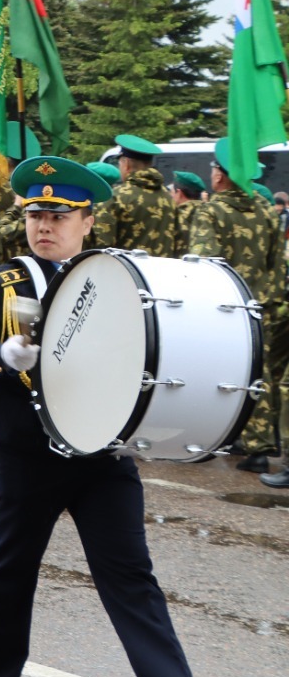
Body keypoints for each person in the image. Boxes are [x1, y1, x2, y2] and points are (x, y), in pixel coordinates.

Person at [0, 155, 231, 677]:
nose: (45, 226)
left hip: (101, 450)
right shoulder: (7, 282)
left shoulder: (114, 282)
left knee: (130, 570)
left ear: (88, 221)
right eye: (36, 215)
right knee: (13, 562)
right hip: (28, 448)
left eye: (60, 216)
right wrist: (3, 357)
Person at [186, 140, 289, 482]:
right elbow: (279, 263)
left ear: (220, 176)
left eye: (214, 169)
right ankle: (259, 447)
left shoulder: (211, 211)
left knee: (219, 376)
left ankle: (217, 438)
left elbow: (205, 263)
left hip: (225, 308)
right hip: (265, 305)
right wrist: (268, 299)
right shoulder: (265, 210)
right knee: (265, 376)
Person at [94, 134, 178, 257]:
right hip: (161, 273)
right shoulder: (169, 198)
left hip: (127, 274)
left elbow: (102, 248)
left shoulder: (114, 198)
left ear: (126, 164)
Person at [169, 170, 205, 253]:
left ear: (179, 193)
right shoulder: (209, 214)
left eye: (172, 192)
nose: (171, 196)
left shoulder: (174, 218)